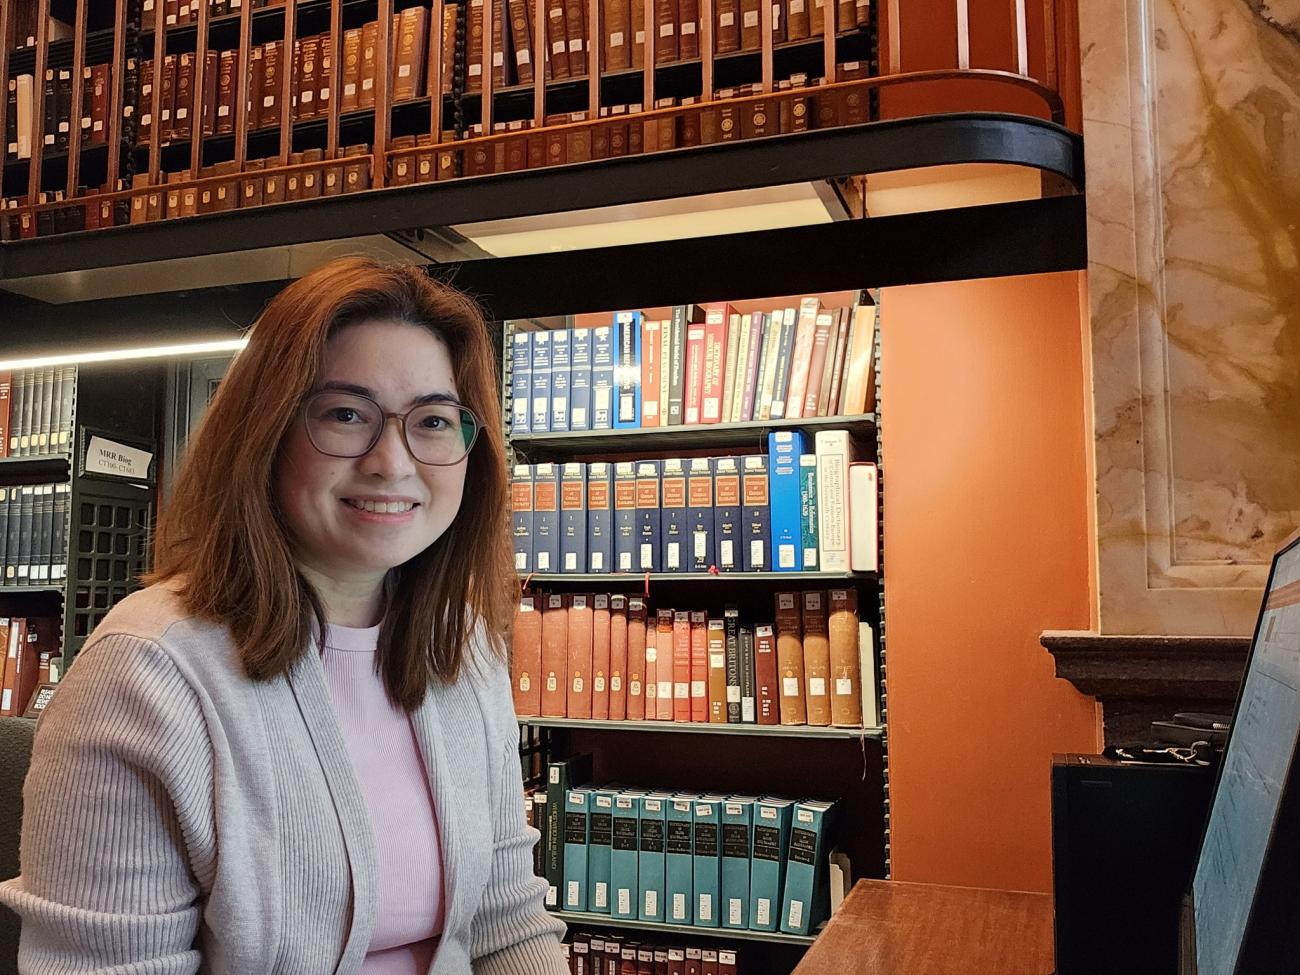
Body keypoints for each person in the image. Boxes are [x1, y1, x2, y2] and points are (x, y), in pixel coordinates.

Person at [0, 258, 568, 974]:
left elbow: (507, 921)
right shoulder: (143, 675)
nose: (392, 462)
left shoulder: (465, 646)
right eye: (345, 413)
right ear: (265, 431)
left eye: (431, 420)